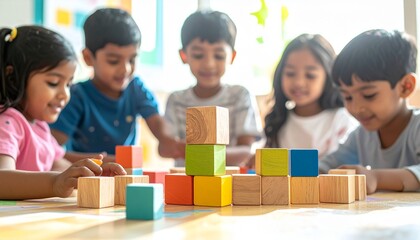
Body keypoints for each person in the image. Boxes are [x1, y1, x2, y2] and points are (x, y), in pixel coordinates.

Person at [0, 26, 126, 200]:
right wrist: (55, 183)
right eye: (53, 83)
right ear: (12, 77)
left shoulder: (40, 127)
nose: (64, 94)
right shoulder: (7, 123)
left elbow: (59, 165)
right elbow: (2, 180)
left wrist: (91, 174)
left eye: (68, 85)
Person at [50, 8, 185, 163]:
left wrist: (173, 143)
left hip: (126, 176)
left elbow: (160, 128)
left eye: (132, 59)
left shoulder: (136, 88)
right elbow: (52, 152)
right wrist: (112, 162)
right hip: (87, 180)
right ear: (88, 58)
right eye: (113, 61)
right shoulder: (77, 96)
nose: (125, 69)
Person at [319, 29, 420, 194]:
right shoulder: (361, 136)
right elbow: (328, 165)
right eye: (347, 97)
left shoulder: (417, 127)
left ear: (405, 86)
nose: (356, 108)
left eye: (369, 95)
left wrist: (376, 178)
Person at [164, 10, 263, 167]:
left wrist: (202, 154)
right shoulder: (176, 100)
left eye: (218, 56)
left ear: (232, 56)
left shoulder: (239, 95)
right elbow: (164, 148)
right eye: (198, 55)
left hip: (227, 183)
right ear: (183, 56)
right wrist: (174, 147)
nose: (209, 64)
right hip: (186, 181)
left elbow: (247, 150)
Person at [264, 34, 357, 158]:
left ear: (328, 77)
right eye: (290, 73)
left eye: (310, 75)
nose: (298, 83)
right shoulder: (278, 121)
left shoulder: (341, 120)